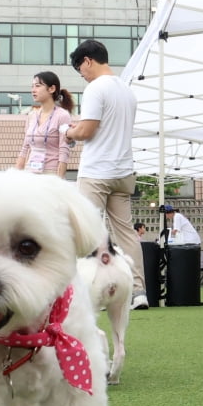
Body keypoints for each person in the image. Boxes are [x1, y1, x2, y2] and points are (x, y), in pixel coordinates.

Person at [63, 39, 148, 310]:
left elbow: (87, 132)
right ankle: (138, 292)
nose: (82, 75)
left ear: (88, 60)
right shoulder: (127, 91)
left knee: (86, 231)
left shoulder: (95, 89)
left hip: (97, 171)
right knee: (127, 235)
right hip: (123, 171)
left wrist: (69, 132)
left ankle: (89, 292)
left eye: (81, 69)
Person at [14, 71, 73, 177]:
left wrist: (59, 181)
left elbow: (64, 151)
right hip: (30, 172)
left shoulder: (62, 115)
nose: (33, 90)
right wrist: (16, 176)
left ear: (52, 89)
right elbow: (25, 148)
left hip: (51, 174)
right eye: (32, 86)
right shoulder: (31, 115)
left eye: (37, 86)